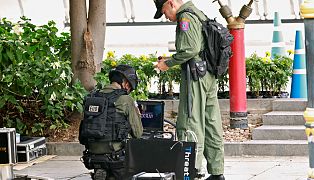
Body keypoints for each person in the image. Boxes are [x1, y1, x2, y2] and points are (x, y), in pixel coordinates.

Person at [153, 0, 225, 180]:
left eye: (164, 12)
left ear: (171, 3)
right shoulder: (198, 13)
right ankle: (217, 172)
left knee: (191, 121)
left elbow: (191, 49)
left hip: (195, 77)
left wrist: (167, 63)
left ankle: (192, 171)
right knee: (211, 122)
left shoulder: (185, 17)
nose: (166, 17)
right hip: (207, 74)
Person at [79, 64, 143, 180]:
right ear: (125, 83)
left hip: (91, 155)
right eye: (130, 87)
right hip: (115, 156)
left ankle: (102, 172)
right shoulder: (126, 99)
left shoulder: (92, 97)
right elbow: (138, 133)